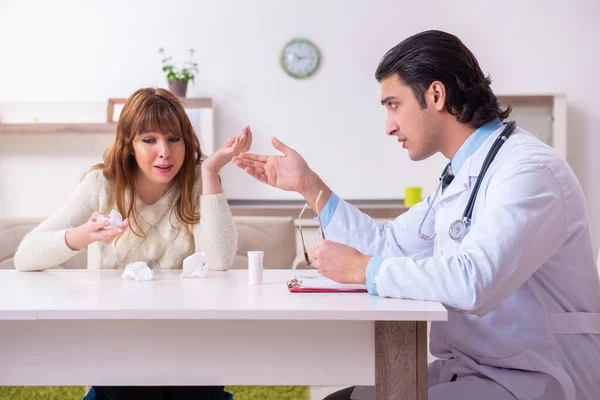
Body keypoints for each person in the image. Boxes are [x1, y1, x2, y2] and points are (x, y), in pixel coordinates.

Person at [233, 30, 600, 400]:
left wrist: (361, 268)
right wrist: (310, 187)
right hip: (476, 368)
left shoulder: (529, 170)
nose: (389, 125)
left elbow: (475, 281)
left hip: (537, 378)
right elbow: (388, 245)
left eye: (394, 105)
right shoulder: (461, 175)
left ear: (436, 95)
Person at [14, 87, 247, 400]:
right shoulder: (102, 184)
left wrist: (209, 171)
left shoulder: (196, 181)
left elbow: (219, 260)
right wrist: (84, 234)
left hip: (186, 338)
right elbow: (25, 256)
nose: (164, 151)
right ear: (129, 144)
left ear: (186, 141)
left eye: (174, 138)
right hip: (116, 343)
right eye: (149, 139)